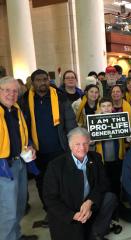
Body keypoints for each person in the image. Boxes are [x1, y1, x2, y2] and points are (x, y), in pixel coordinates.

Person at [20, 69, 77, 226]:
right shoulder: (25, 100)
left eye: (45, 79)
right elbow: (22, 124)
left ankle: (65, 210)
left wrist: (72, 142)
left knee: (63, 181)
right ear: (32, 82)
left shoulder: (59, 96)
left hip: (59, 148)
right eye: (38, 80)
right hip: (37, 152)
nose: (42, 82)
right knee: (42, 183)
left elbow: (70, 121)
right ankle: (50, 212)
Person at [43, 127, 117, 240]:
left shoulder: (96, 158)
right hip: (69, 211)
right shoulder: (55, 166)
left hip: (89, 206)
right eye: (77, 144)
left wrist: (90, 201)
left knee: (110, 198)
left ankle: (96, 233)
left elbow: (104, 183)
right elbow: (50, 198)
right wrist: (72, 215)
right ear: (70, 145)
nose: (82, 148)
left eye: (85, 143)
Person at [0, 76, 38, 240]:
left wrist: (28, 145)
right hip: (4, 168)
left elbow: (22, 134)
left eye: (15, 90)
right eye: (7, 90)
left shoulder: (15, 109)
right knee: (7, 210)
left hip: (20, 162)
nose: (11, 94)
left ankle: (16, 235)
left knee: (20, 204)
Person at [95, 97, 126, 199]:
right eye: (103, 106)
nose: (106, 108)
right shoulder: (94, 122)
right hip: (102, 160)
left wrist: (128, 136)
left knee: (116, 182)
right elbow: (90, 142)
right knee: (105, 183)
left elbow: (126, 139)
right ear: (100, 108)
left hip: (117, 158)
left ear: (112, 107)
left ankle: (117, 204)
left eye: (108, 106)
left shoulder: (119, 119)